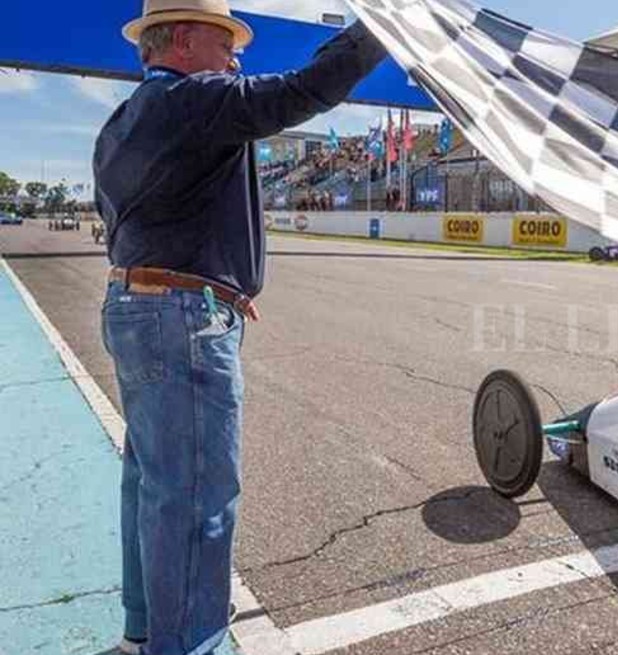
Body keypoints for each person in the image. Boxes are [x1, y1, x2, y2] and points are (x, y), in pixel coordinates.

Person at [94, 2, 388, 654]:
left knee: (150, 485)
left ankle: (142, 631)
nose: (238, 57)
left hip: (135, 304)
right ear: (190, 40)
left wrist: (218, 276)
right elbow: (301, 91)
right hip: (180, 316)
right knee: (197, 498)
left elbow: (148, 223)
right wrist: (385, 28)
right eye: (229, 43)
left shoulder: (121, 122)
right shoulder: (197, 100)